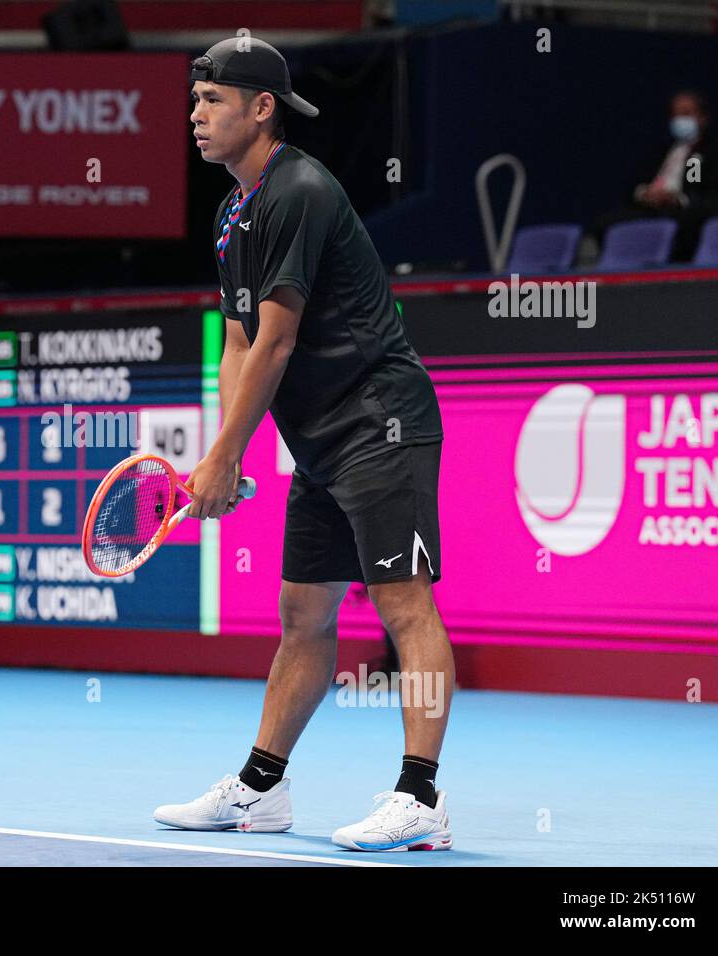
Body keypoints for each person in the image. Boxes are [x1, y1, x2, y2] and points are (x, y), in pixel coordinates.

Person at [152, 37, 453, 850]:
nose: (195, 116)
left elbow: (278, 343)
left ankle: (421, 798)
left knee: (404, 605)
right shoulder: (232, 212)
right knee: (302, 614)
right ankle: (260, 791)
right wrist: (228, 450)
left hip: (381, 423)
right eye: (192, 101)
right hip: (321, 441)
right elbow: (239, 341)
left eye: (211, 100)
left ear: (261, 108)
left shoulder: (300, 190)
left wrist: (220, 462)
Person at [588, 90, 718, 262]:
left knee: (687, 221)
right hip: (650, 206)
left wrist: (674, 198)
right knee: (604, 223)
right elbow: (637, 181)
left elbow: (695, 186)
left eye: (686, 114)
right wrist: (644, 193)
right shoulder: (663, 149)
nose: (679, 120)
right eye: (675, 115)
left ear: (702, 118)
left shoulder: (704, 151)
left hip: (677, 208)